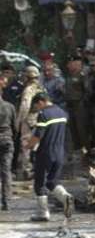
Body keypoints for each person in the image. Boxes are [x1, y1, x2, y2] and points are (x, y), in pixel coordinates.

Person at [24, 92, 73, 222]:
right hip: (60, 153)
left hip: (46, 153)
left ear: (41, 102)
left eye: (37, 106)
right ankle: (65, 197)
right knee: (52, 181)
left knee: (40, 183)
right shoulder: (62, 113)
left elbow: (38, 134)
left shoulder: (44, 114)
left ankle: (43, 213)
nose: (37, 109)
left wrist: (28, 145)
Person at [16, 65, 45, 179]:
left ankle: (27, 171)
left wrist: (18, 122)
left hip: (28, 120)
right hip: (40, 119)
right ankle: (39, 169)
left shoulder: (28, 89)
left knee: (26, 146)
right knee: (37, 145)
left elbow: (25, 107)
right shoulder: (41, 87)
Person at [65, 55, 89, 154]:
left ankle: (86, 148)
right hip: (70, 105)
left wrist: (83, 102)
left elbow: (87, 91)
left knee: (81, 128)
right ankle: (77, 149)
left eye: (73, 63)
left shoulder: (82, 76)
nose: (70, 65)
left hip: (80, 105)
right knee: (73, 128)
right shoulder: (69, 76)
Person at [0, 75, 15, 211]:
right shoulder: (10, 107)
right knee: (6, 171)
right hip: (7, 139)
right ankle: (6, 201)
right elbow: (15, 126)